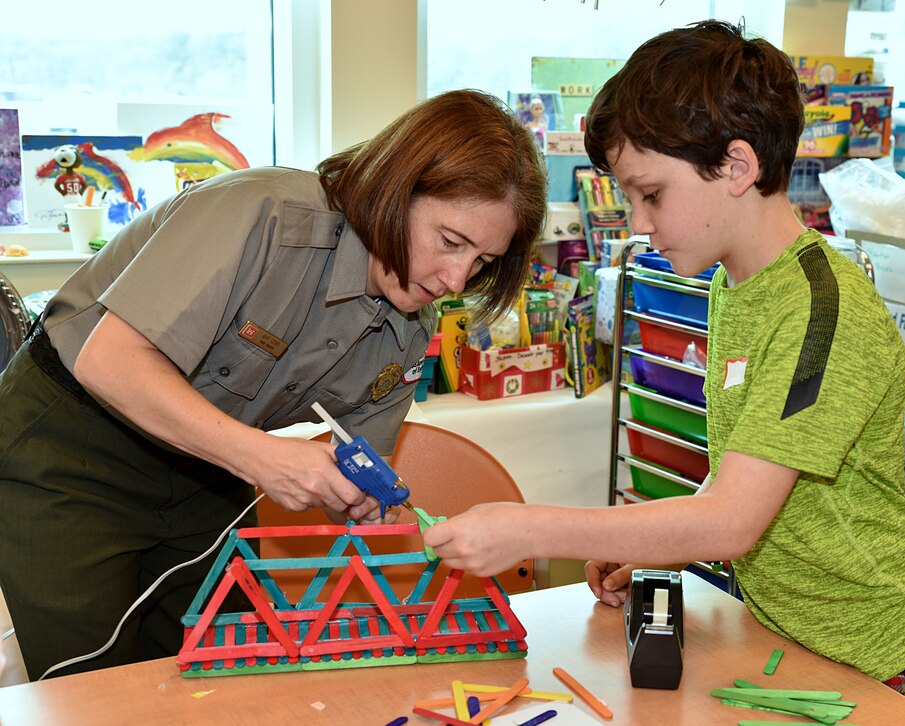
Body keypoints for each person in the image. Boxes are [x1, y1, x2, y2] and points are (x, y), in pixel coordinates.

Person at [423, 22, 905, 721]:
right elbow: (742, 462)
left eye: (651, 194)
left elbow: (733, 522)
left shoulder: (819, 313)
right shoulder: (730, 284)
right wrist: (662, 545)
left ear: (737, 167)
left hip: (878, 654)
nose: (639, 221)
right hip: (789, 637)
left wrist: (528, 530)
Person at [0, 89, 547, 680]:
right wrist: (263, 458)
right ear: (395, 187)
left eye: (483, 262)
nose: (456, 279)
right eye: (450, 242)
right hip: (71, 448)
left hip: (207, 466)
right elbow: (109, 360)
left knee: (215, 667)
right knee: (93, 686)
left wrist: (367, 499)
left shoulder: (408, 327)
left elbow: (363, 459)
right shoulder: (260, 212)